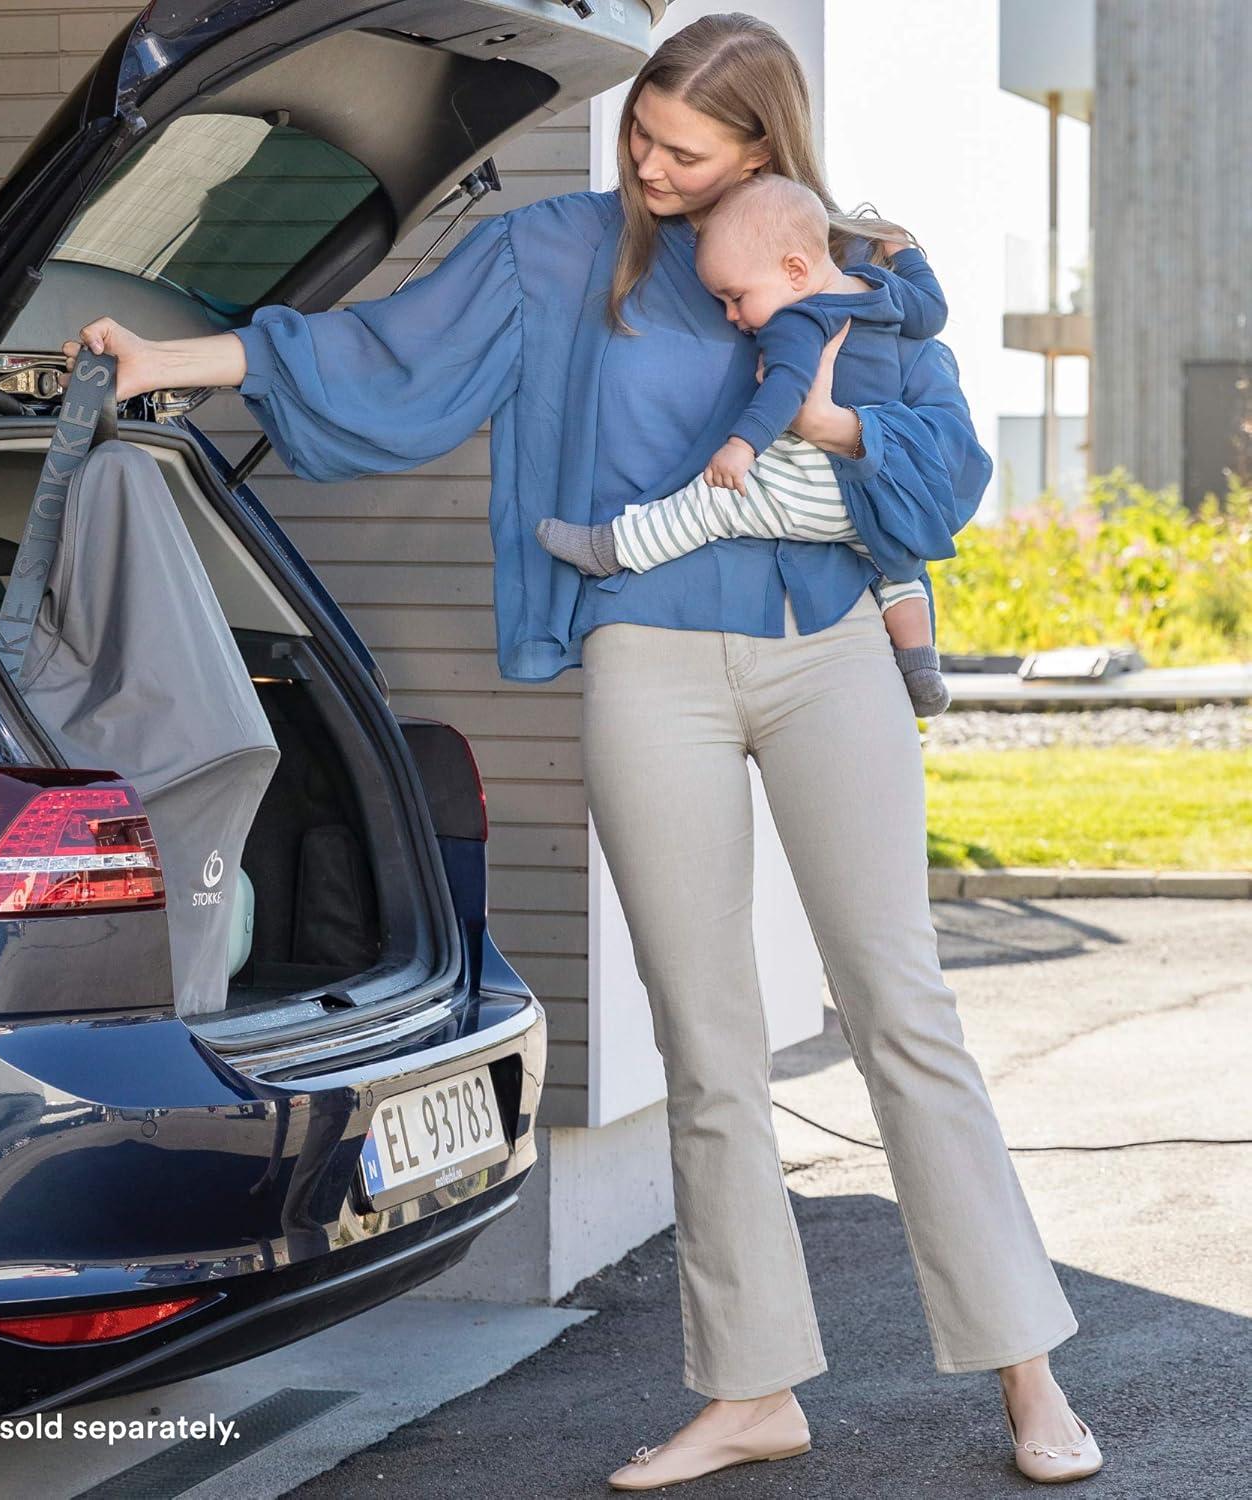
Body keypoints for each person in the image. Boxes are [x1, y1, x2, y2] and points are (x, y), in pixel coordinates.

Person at [62, 15, 1101, 1488]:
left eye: (685, 148)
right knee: (708, 1036)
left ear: (762, 146)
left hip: (823, 654)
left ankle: (1030, 1382)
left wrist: (823, 419)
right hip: (650, 662)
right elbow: (376, 352)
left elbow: (943, 474)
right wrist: (173, 351)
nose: (650, 164)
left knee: (902, 1008)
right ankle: (752, 1388)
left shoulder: (849, 263)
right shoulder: (554, 255)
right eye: (640, 133)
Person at [534, 170, 952, 716]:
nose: (733, 316)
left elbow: (786, 391)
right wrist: (904, 252)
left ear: (795, 270)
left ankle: (615, 548)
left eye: (736, 298)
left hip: (818, 475)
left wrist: (742, 447)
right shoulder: (883, 292)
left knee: (717, 502)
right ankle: (918, 660)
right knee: (895, 562)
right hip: (874, 478)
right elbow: (934, 309)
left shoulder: (799, 319)